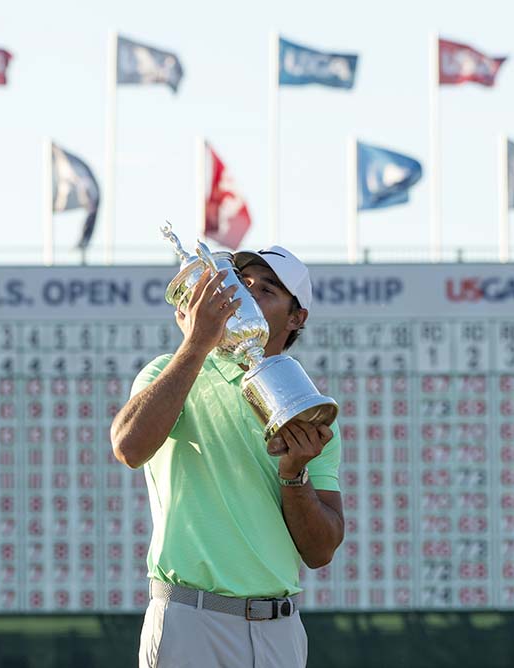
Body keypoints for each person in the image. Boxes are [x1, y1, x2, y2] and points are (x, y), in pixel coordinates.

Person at [110, 246, 344, 668]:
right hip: (189, 619)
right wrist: (197, 343)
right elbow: (128, 447)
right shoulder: (170, 371)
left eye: (267, 290)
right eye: (242, 284)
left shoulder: (308, 409)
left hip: (279, 627)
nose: (246, 295)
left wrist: (294, 475)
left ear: (297, 318)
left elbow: (320, 551)